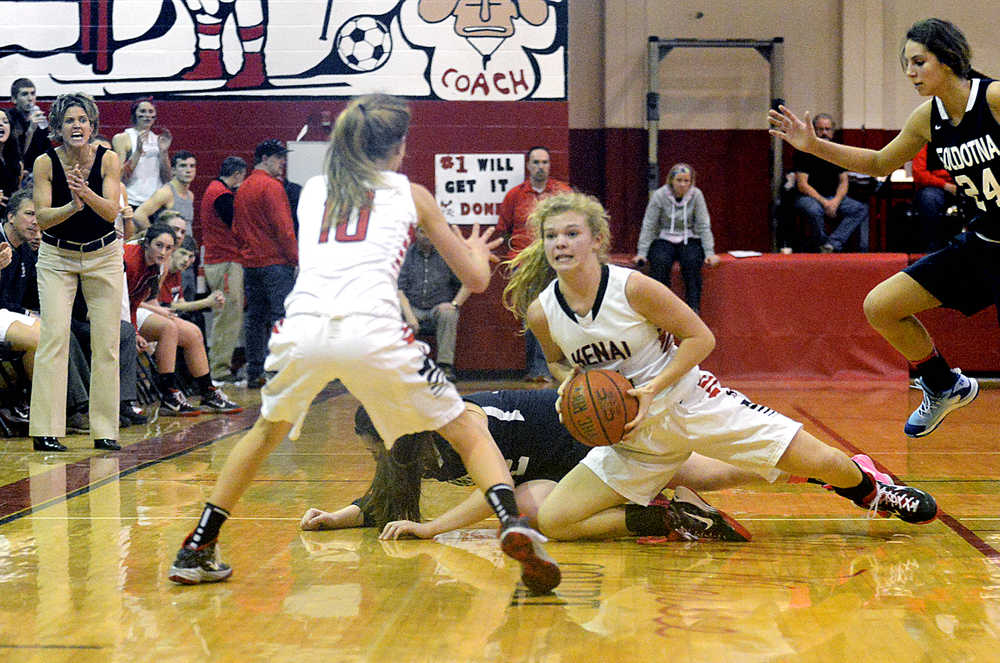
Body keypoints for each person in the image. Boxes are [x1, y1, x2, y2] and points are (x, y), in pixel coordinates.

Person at [168, 94, 560, 596]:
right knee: (466, 430)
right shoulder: (411, 195)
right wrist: (479, 252)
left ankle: (198, 544)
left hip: (303, 329)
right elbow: (476, 280)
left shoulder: (312, 191)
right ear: (397, 147)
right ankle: (513, 523)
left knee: (264, 433)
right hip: (372, 330)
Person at [501, 191, 938, 541]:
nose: (560, 242)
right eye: (551, 235)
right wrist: (567, 388)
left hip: (687, 402)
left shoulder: (632, 288)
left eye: (571, 233)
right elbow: (560, 365)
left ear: (596, 240)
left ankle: (875, 489)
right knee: (556, 521)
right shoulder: (543, 312)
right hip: (631, 439)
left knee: (825, 461)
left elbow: (701, 338)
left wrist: (653, 388)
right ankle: (670, 519)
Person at [768, 18, 996, 437]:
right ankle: (944, 385)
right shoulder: (929, 117)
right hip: (983, 244)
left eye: (918, 61)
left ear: (947, 59)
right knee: (881, 306)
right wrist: (814, 146)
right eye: (905, 63)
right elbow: (878, 163)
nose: (909, 71)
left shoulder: (994, 98)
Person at [301, 389, 763, 543]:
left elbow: (492, 491)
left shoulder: (457, 425)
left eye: (375, 451)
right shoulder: (413, 447)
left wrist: (433, 528)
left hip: (587, 441)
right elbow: (385, 494)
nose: (376, 460)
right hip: (554, 472)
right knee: (536, 511)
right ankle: (667, 516)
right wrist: (335, 518)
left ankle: (805, 468)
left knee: (706, 472)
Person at [30, 92, 123, 453]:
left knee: (107, 343)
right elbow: (42, 217)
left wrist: (86, 193)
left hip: (103, 255)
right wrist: (72, 204)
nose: (76, 125)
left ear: (92, 125)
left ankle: (104, 430)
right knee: (54, 338)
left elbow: (111, 212)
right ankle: (46, 429)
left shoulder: (108, 159)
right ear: (58, 127)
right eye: (69, 120)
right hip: (57, 257)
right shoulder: (45, 163)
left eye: (82, 119)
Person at [124, 224, 242, 417]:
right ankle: (169, 394)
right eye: (160, 245)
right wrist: (137, 329)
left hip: (135, 308)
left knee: (193, 332)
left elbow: (143, 299)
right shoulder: (132, 258)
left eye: (168, 247)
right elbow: (129, 301)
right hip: (124, 310)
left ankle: (208, 391)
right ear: (148, 243)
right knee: (168, 328)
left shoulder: (162, 265)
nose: (164, 251)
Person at [496, 146, 571, 382]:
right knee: (531, 314)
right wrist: (521, 253)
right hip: (524, 262)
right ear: (528, 166)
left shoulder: (562, 193)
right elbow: (503, 230)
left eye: (545, 162)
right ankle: (537, 367)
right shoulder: (515, 195)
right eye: (536, 162)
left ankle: (545, 367)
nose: (541, 166)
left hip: (555, 261)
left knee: (550, 311)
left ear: (550, 165)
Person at [232, 139, 298, 389]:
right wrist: (295, 259)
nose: (283, 162)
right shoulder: (272, 187)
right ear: (265, 158)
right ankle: (281, 371)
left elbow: (236, 229)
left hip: (251, 263)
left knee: (255, 318)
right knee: (282, 316)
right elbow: (284, 228)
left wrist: (247, 251)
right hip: (275, 263)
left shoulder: (244, 187)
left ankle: (255, 371)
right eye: (279, 157)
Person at [633, 163, 720, 314]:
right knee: (660, 261)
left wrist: (709, 252)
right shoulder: (660, 195)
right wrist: (642, 252)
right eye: (679, 180)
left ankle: (693, 308)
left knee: (692, 261)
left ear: (691, 182)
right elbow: (649, 224)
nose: (682, 184)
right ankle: (660, 307)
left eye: (686, 181)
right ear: (671, 181)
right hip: (665, 237)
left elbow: (703, 224)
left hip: (688, 237)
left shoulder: (696, 195)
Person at [397, 225, 469, 381]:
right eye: (422, 231)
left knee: (449, 313)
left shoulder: (447, 254)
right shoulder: (406, 255)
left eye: (430, 231)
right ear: (416, 233)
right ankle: (401, 366)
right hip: (413, 308)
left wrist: (455, 304)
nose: (426, 236)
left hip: (438, 307)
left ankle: (445, 366)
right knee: (393, 314)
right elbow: (399, 289)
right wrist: (409, 316)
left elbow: (468, 281)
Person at [791, 113, 870, 253]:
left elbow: (844, 181)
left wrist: (835, 201)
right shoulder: (804, 151)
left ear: (833, 132)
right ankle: (820, 244)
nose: (824, 133)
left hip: (833, 197)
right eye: (820, 129)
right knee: (814, 210)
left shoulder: (837, 152)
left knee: (860, 208)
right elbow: (802, 185)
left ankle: (832, 245)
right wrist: (825, 203)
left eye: (827, 129)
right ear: (813, 131)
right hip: (809, 198)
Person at [200, 156, 247, 384]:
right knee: (227, 316)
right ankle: (219, 370)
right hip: (225, 262)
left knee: (225, 315)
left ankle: (219, 368)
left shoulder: (213, 189)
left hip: (221, 261)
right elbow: (237, 225)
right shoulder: (222, 195)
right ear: (237, 174)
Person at [111, 98, 171, 209]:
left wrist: (164, 152)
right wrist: (138, 152)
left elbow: (167, 178)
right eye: (142, 111)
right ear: (135, 114)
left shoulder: (158, 140)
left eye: (150, 112)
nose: (147, 115)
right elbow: (118, 177)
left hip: (155, 202)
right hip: (131, 200)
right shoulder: (122, 138)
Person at [911, 144, 963, 251]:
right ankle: (932, 249)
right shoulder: (925, 142)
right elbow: (919, 174)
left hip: (963, 184)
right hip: (936, 186)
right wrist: (946, 185)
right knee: (929, 198)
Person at [132, 150, 197, 235]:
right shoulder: (165, 193)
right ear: (173, 170)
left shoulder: (190, 195)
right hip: (169, 246)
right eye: (183, 166)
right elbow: (138, 215)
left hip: (186, 245)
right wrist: (156, 236)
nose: (188, 170)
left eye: (192, 166)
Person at [8, 78, 50, 174]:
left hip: (36, 172)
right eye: (24, 94)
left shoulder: (39, 119)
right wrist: (30, 130)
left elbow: (47, 150)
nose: (30, 98)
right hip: (15, 173)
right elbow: (17, 155)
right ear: (14, 99)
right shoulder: (8, 120)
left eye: (32, 93)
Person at [0, 108, 24, 216]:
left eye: (5, 122)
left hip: (9, 217)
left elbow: (17, 195)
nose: (1, 125)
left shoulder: (17, 162)